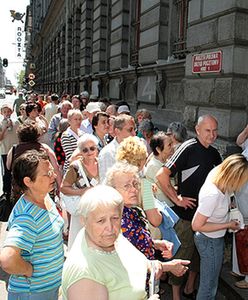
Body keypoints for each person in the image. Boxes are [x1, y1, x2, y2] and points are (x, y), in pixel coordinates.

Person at [62, 185, 178, 300]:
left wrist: (156, 265)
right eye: (101, 221)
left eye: (115, 218)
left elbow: (135, 260)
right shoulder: (84, 273)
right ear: (83, 220)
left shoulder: (107, 237)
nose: (110, 227)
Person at [156, 115, 222, 300]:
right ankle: (176, 295)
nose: (212, 135)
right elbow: (162, 175)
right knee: (182, 255)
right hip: (185, 217)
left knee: (197, 259)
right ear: (198, 129)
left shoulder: (214, 153)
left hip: (205, 218)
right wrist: (177, 199)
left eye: (215, 130)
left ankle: (189, 289)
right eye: (208, 130)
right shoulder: (187, 147)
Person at [0, 150, 64, 300]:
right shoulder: (27, 217)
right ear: (28, 181)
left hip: (47, 289)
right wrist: (28, 270)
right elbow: (7, 259)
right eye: (47, 174)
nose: (53, 176)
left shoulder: (45, 197)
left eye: (51, 171)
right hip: (33, 293)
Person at [192, 154, 248, 299]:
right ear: (234, 177)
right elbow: (196, 225)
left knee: (211, 283)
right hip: (209, 241)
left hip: (213, 240)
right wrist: (228, 224)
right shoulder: (213, 194)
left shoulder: (220, 174)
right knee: (208, 286)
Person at [6, 122, 62, 203]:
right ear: (37, 135)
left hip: (21, 190)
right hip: (43, 189)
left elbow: (8, 167)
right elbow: (56, 168)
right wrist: (60, 187)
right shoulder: (44, 148)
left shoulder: (14, 149)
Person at [61, 134, 99, 250]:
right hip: (82, 212)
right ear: (80, 152)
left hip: (99, 210)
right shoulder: (75, 167)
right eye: (85, 150)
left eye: (92, 148)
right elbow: (63, 188)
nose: (89, 152)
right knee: (81, 245)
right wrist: (82, 191)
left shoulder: (102, 163)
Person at [98, 114, 136, 182]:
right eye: (130, 130)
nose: (134, 133)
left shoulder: (136, 149)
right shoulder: (108, 153)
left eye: (134, 129)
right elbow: (106, 182)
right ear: (117, 131)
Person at [145, 131, 174, 206]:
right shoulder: (153, 166)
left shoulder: (166, 161)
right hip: (165, 207)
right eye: (169, 145)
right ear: (158, 149)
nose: (172, 147)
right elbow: (166, 189)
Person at [0, 104, 19, 201]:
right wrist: (5, 128)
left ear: (11, 112)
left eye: (8, 111)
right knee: (6, 173)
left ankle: (16, 191)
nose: (7, 113)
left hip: (16, 150)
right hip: (5, 151)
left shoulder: (17, 122)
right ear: (1, 113)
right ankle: (6, 192)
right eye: (5, 112)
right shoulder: (0, 124)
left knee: (16, 171)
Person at [61, 109, 83, 173]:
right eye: (75, 119)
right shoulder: (66, 135)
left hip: (83, 168)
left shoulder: (83, 134)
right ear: (69, 121)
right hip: (71, 169)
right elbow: (70, 156)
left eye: (80, 119)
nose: (78, 121)